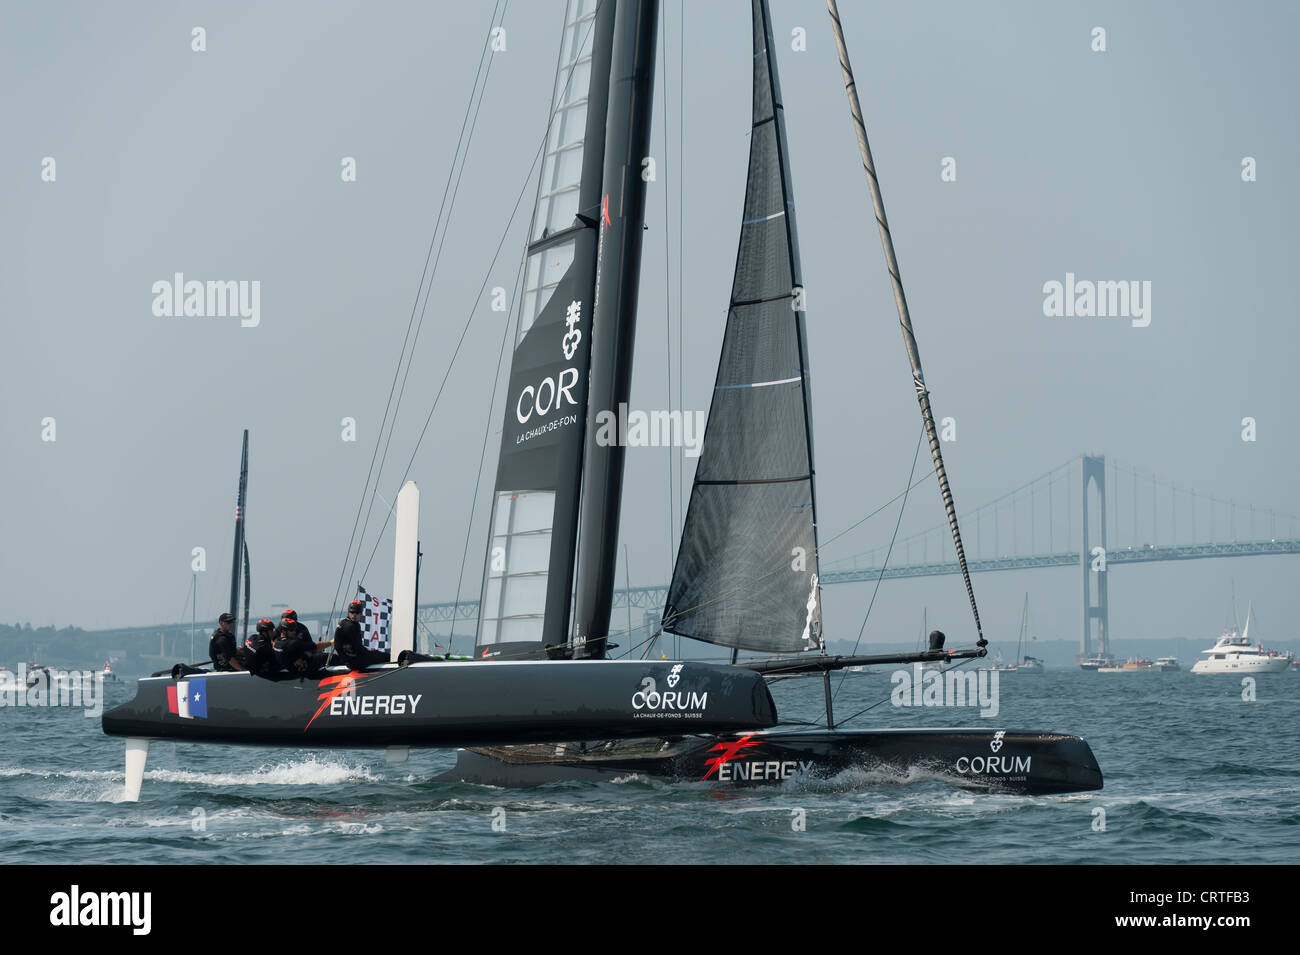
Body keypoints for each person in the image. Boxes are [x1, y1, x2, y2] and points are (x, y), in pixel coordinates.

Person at [329, 599, 391, 669]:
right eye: (352, 612)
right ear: (349, 612)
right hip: (356, 662)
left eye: (357, 613)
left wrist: (345, 660)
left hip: (348, 661)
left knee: (375, 653)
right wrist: (370, 652)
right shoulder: (353, 626)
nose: (354, 615)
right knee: (384, 656)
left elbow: (337, 646)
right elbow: (358, 648)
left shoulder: (341, 623)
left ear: (361, 613)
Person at [273, 609, 320, 675]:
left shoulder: (302, 628)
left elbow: (310, 645)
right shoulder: (278, 629)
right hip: (284, 656)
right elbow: (273, 644)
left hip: (301, 654)